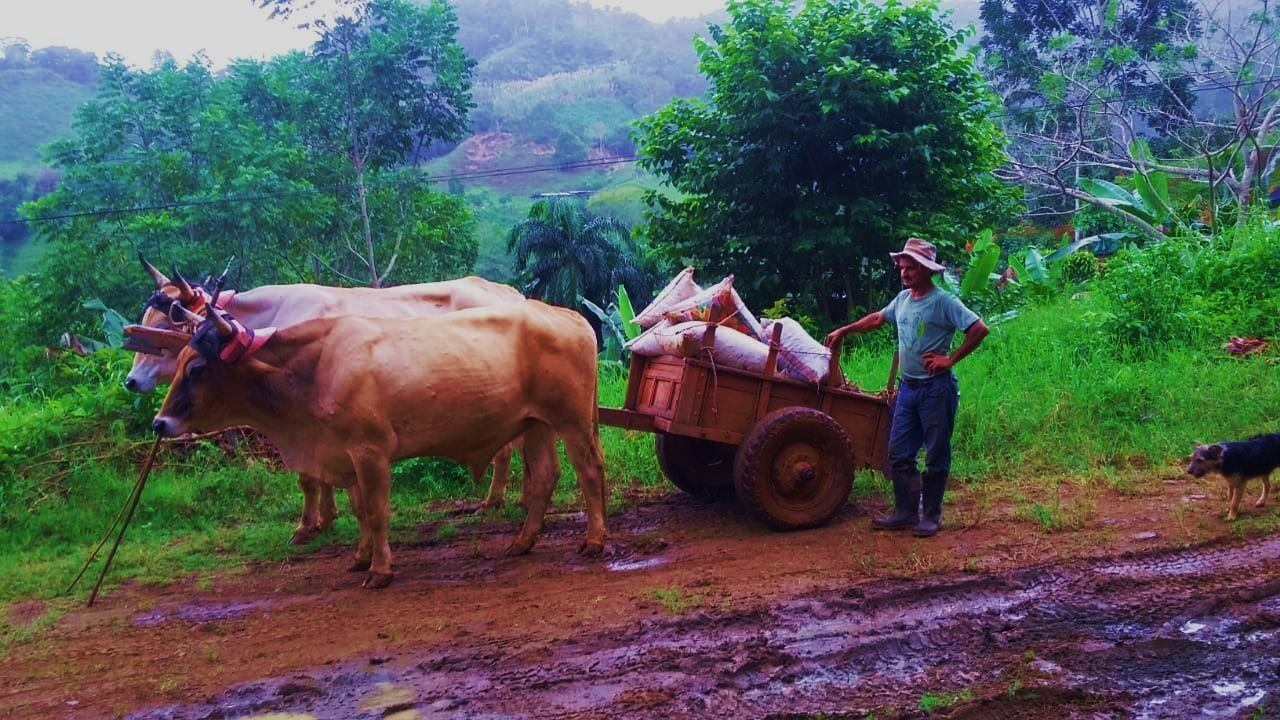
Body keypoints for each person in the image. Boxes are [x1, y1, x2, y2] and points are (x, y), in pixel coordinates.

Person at [826, 237, 988, 537]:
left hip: (936, 389)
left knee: (936, 453)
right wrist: (844, 331)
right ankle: (904, 512)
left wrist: (949, 359)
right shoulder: (902, 300)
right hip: (908, 390)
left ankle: (931, 516)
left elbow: (979, 329)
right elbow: (877, 318)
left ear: (926, 269)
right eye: (902, 267)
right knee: (899, 453)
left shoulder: (944, 302)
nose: (904, 273)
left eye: (911, 268)